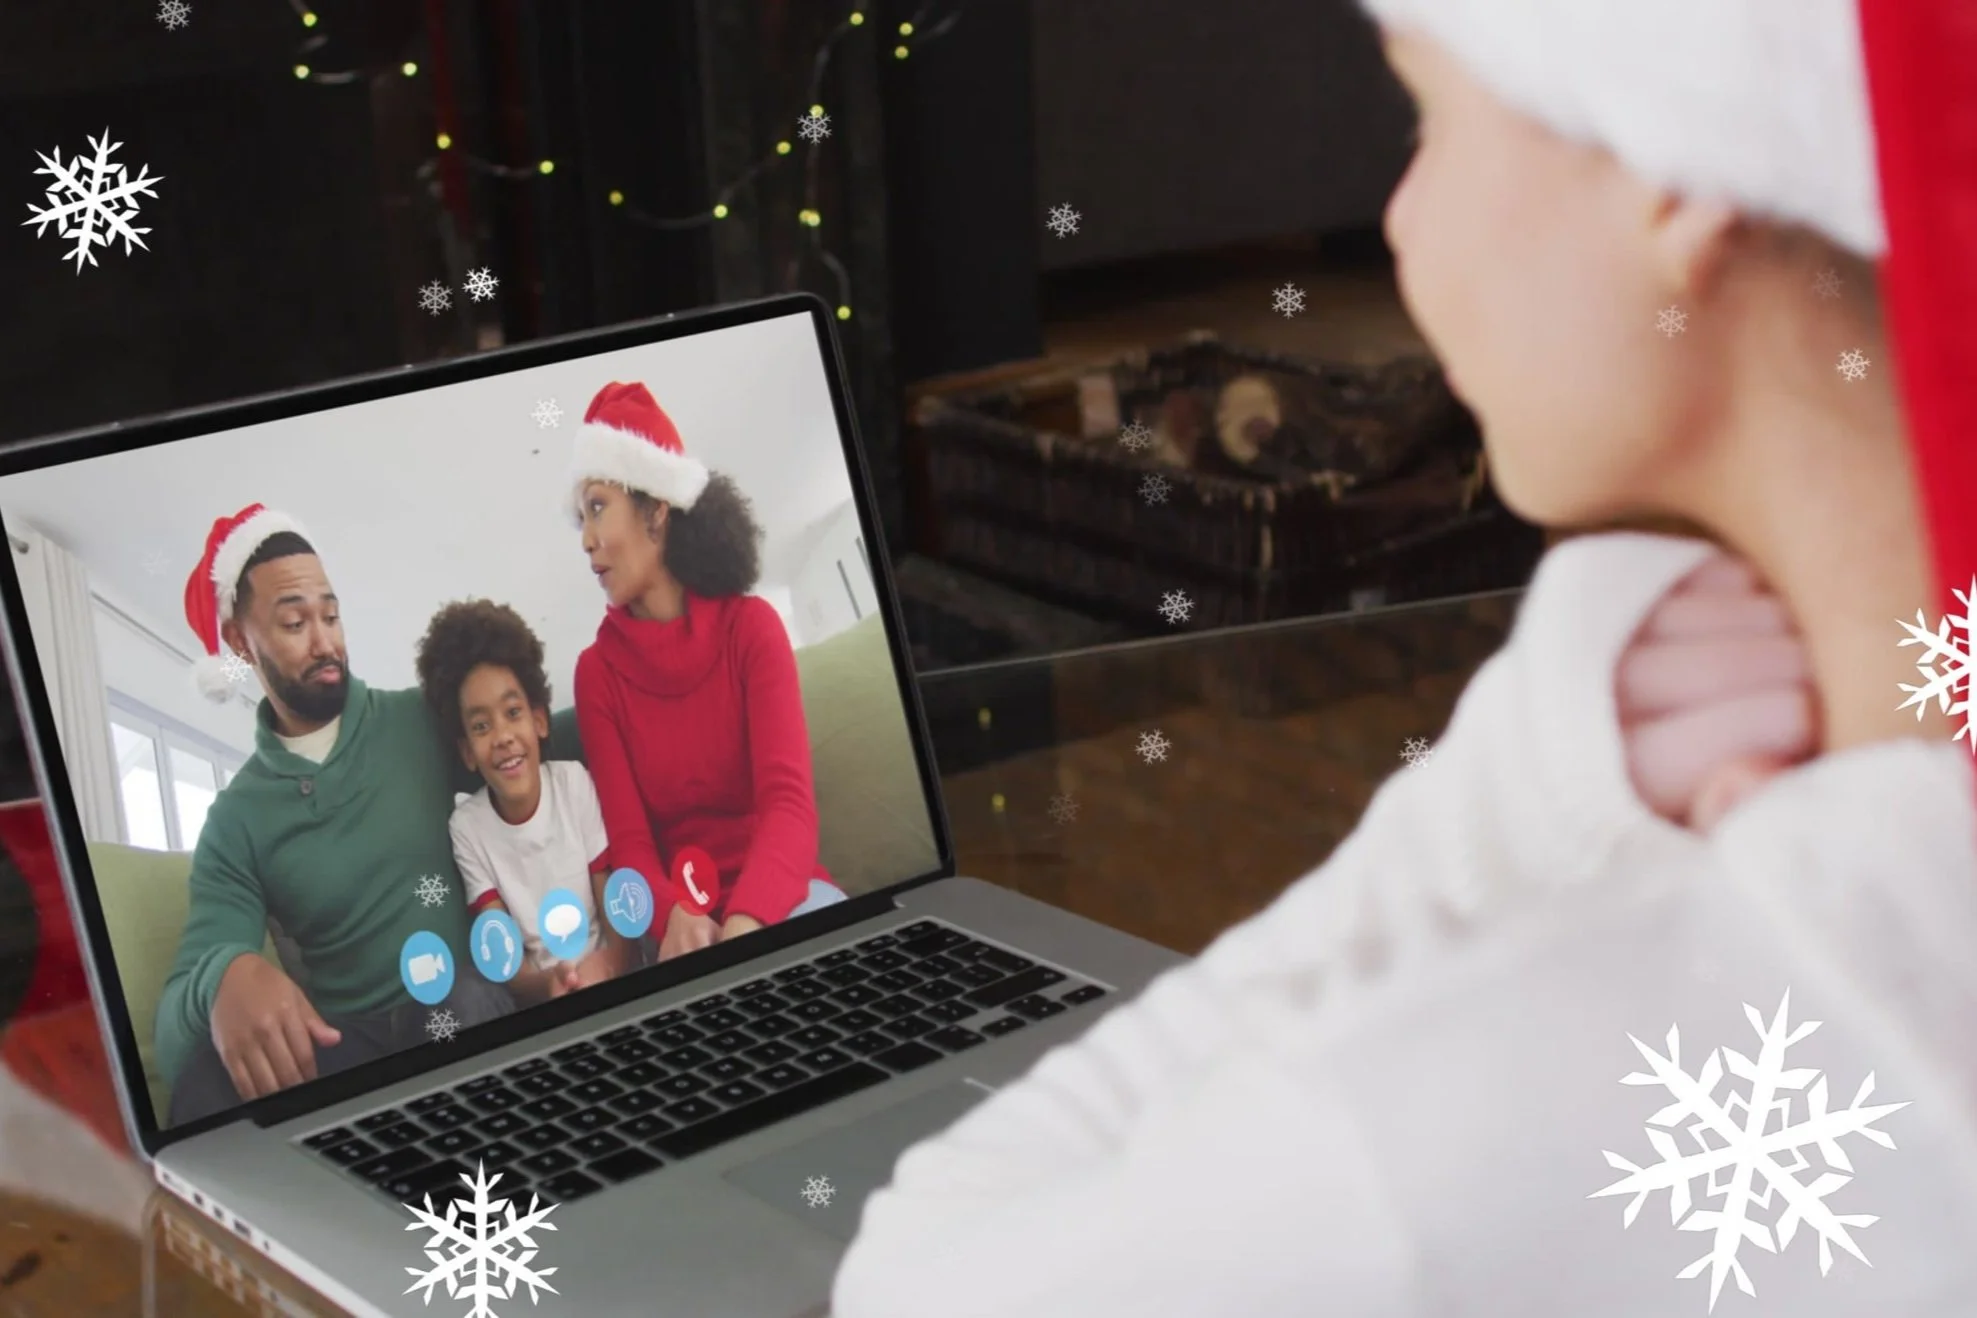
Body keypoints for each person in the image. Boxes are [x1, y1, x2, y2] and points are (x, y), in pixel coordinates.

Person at [831, 3, 1977, 1315]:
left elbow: (919, 1273)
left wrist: (1505, 813)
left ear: (1674, 175)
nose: (1400, 220)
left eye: (1427, 117)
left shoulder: (1426, 1134)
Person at [157, 505, 539, 1125]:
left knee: (454, 1002)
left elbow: (548, 744)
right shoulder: (235, 820)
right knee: (205, 1081)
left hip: (456, 1005)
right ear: (239, 642)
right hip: (345, 1049)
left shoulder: (419, 720)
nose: (325, 641)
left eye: (331, 615)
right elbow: (175, 1038)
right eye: (294, 622)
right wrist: (223, 977)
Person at [567, 381, 846, 963]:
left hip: (781, 899)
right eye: (580, 517)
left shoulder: (753, 629)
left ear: (657, 509)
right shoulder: (596, 674)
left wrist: (745, 924)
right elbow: (631, 844)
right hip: (680, 926)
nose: (586, 539)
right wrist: (675, 918)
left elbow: (789, 809)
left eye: (597, 507)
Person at [414, 599, 632, 1003]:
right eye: (481, 726)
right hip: (543, 993)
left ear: (540, 721)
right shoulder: (467, 829)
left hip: (608, 972)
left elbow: (614, 910)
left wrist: (608, 965)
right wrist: (550, 985)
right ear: (466, 752)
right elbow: (507, 962)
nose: (501, 736)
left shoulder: (573, 784)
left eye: (513, 712)